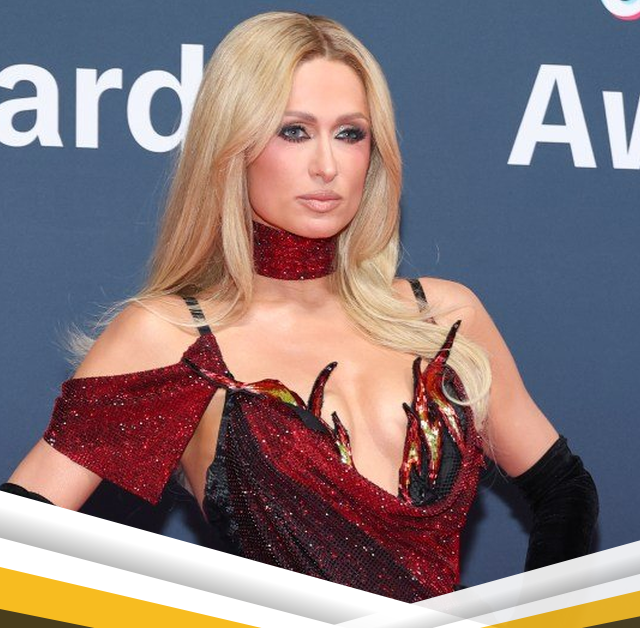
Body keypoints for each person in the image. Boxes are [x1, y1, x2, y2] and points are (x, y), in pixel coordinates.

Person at [1, 11, 597, 602]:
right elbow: (17, 539)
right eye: (294, 131)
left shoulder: (439, 316)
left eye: (350, 134)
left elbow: (565, 490)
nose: (327, 166)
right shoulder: (175, 336)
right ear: (232, 146)